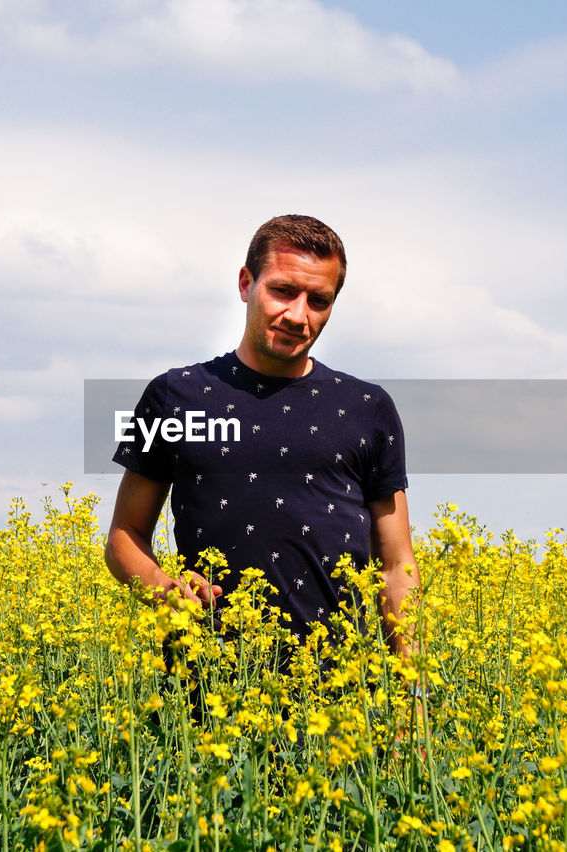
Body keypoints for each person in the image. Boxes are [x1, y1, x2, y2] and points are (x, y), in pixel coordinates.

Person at [104, 214, 419, 657]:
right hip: (204, 688)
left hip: (345, 700)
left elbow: (396, 564)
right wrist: (164, 590)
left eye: (319, 300)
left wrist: (414, 694)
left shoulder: (368, 408)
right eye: (283, 291)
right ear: (245, 283)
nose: (297, 315)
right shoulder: (173, 396)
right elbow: (125, 534)